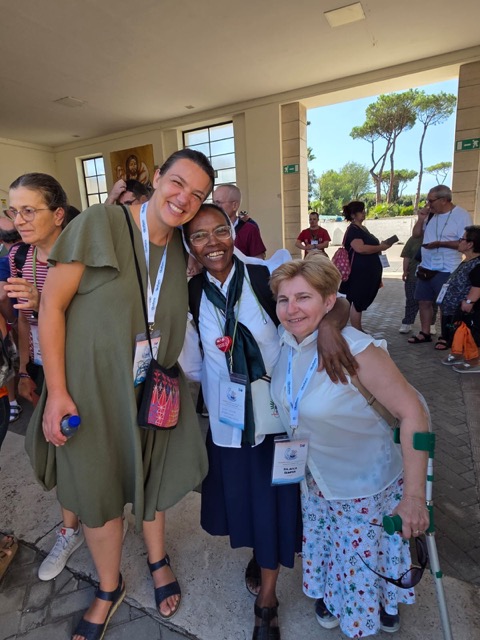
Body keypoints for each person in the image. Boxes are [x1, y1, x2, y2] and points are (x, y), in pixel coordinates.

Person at [27, 149, 214, 640]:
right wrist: (57, 392)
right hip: (89, 391)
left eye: (197, 195)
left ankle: (157, 558)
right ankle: (109, 587)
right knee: (96, 488)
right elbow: (52, 307)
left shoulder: (180, 247)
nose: (184, 198)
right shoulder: (102, 222)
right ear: (158, 176)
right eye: (178, 183)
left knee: (151, 475)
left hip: (152, 389)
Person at [179, 204, 354, 640]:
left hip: (278, 420)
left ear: (233, 231)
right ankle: (262, 553)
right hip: (229, 423)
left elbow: (333, 301)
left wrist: (329, 327)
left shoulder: (264, 275)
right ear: (189, 245)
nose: (212, 243)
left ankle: (268, 601)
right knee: (247, 501)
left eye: (220, 230)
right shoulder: (192, 292)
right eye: (199, 236)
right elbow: (195, 366)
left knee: (275, 503)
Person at [270, 256, 430, 637]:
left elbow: (413, 414)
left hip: (365, 487)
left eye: (303, 298)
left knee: (368, 554)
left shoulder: (357, 350)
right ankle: (332, 593)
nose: (291, 309)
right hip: (317, 480)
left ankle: (384, 600)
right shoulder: (285, 341)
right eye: (283, 300)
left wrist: (414, 497)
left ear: (328, 302)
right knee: (332, 546)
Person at [4, 174, 85, 583]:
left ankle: (101, 515)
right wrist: (23, 370)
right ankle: (70, 530)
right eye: (13, 211)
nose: (18, 219)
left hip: (81, 364)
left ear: (58, 214)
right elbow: (23, 319)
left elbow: (95, 320)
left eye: (28, 210)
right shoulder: (20, 256)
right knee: (58, 447)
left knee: (84, 446)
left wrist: (46, 304)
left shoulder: (81, 255)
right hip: (41, 364)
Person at [408, 185, 472, 346]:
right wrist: (420, 219)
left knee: (447, 305)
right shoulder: (430, 215)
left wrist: (440, 244)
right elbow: (416, 235)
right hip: (426, 267)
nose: (428, 204)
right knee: (423, 302)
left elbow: (464, 243)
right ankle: (425, 332)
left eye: (431, 201)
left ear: (444, 200)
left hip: (447, 268)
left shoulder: (461, 215)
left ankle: (447, 336)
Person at [339, 201, 395, 331]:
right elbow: (360, 248)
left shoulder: (362, 229)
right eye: (361, 211)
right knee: (357, 301)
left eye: (364, 210)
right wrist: (380, 247)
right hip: (359, 273)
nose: (364, 213)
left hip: (367, 272)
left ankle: (354, 330)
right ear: (353, 215)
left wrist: (380, 246)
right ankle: (357, 330)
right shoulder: (353, 230)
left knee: (358, 300)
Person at [439, 225, 480, 371]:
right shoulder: (467, 260)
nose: (459, 241)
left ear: (470, 244)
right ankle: (458, 353)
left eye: (462, 239)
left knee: (470, 334)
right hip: (456, 309)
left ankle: (474, 361)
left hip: (469, 310)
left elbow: (477, 287)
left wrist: (469, 302)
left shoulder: (477, 264)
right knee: (458, 332)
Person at [399, 233, 437, 335]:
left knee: (432, 301)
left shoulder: (438, 237)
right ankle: (407, 322)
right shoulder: (414, 238)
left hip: (433, 274)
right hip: (414, 274)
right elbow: (407, 256)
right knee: (411, 299)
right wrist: (405, 271)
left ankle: (431, 324)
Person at [213, 184, 266, 258]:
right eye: (214, 203)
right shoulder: (210, 229)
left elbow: (259, 260)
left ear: (234, 205)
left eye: (218, 203)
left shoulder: (249, 229)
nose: (214, 207)